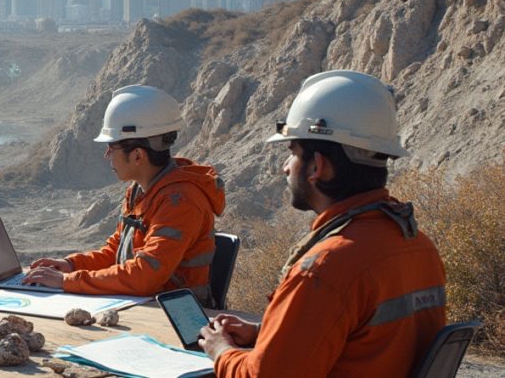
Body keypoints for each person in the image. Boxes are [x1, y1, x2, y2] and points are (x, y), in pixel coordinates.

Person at [200, 70, 446, 376]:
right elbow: (361, 335)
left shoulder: (326, 268)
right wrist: (266, 331)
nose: (285, 168)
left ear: (318, 166)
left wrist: (220, 350)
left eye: (293, 153)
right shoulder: (418, 245)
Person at [24, 85, 225, 302]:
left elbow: (144, 277)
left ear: (138, 155)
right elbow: (115, 252)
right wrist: (71, 265)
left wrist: (66, 281)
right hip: (148, 306)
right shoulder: (140, 191)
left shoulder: (181, 201)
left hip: (174, 316)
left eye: (112, 147)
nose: (107, 154)